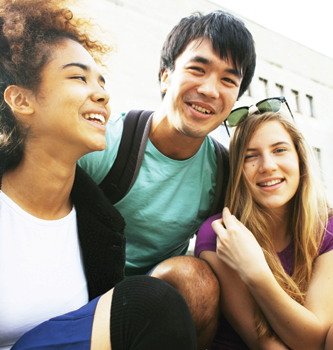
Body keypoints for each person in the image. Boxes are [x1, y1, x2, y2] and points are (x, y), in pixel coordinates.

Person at [0, 0, 197, 349]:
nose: (102, 94)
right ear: (21, 100)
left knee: (151, 303)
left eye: (102, 82)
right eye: (78, 77)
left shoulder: (102, 224)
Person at [78, 11, 256, 348]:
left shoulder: (224, 171)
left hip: (152, 302)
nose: (209, 90)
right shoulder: (105, 143)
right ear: (165, 77)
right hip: (77, 291)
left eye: (228, 81)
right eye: (197, 69)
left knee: (198, 280)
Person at [195, 105, 333, 349]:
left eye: (279, 150)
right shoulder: (221, 233)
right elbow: (265, 343)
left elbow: (316, 340)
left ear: (300, 158)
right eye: (250, 156)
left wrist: (255, 271)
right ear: (238, 170)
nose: (267, 166)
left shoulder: (327, 227)